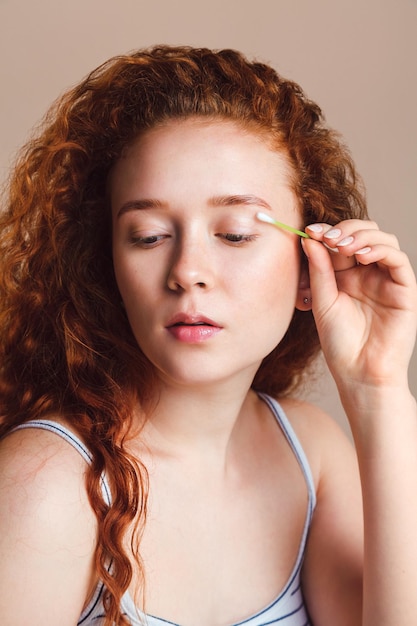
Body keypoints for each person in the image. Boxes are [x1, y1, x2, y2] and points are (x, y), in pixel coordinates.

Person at [0, 45, 416, 626]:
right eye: (146, 236)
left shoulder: (310, 455)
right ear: (107, 268)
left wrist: (379, 388)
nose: (186, 269)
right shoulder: (46, 487)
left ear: (310, 266)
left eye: (237, 233)